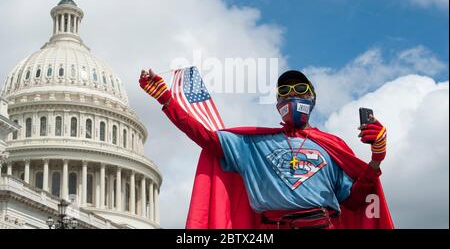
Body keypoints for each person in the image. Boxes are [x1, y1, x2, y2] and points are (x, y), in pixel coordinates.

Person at [139, 69, 393, 229]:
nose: (293, 94)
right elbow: (206, 136)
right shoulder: (253, 145)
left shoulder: (331, 147)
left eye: (301, 89)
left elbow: (356, 200)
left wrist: (376, 158)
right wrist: (167, 100)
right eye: (285, 91)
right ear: (277, 102)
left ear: (312, 98)